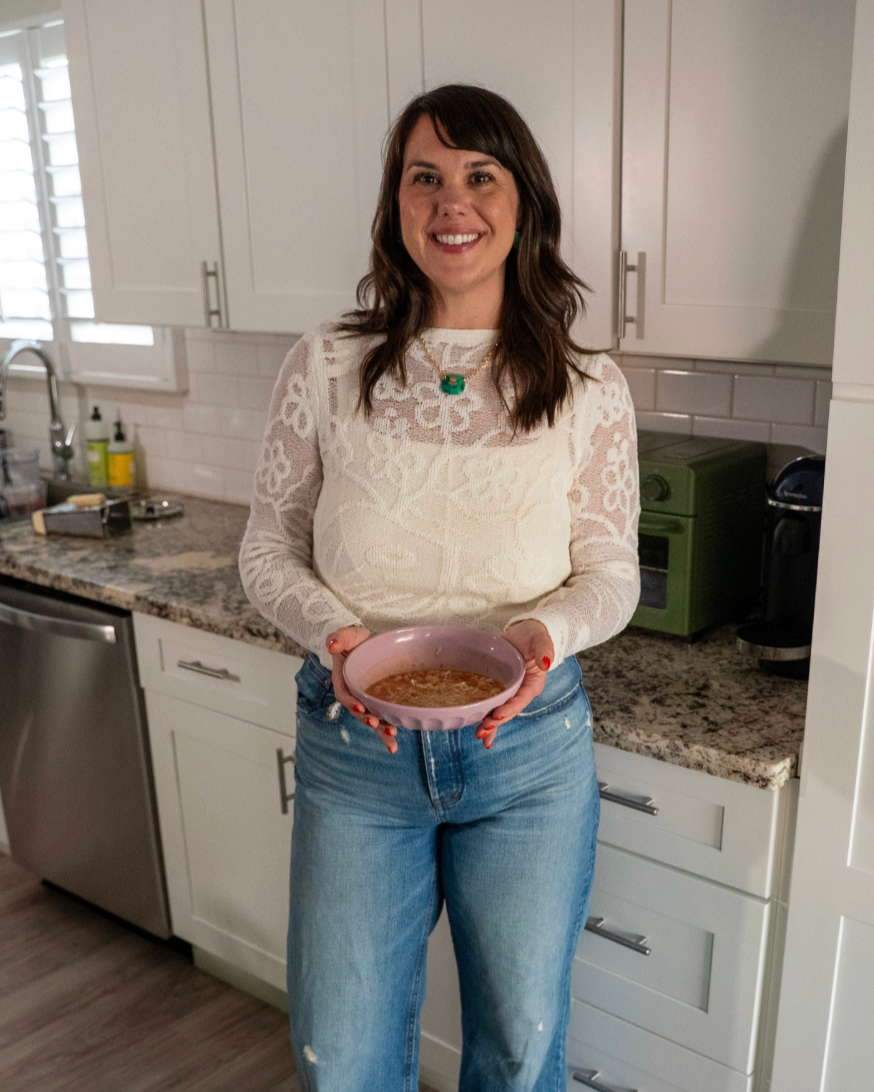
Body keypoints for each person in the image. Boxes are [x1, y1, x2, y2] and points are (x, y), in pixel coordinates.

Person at [239, 83, 640, 1092]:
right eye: (424, 177)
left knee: (517, 1045)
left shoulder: (588, 387)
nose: (450, 202)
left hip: (529, 753)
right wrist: (337, 635)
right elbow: (265, 549)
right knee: (341, 1054)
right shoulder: (328, 365)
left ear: (524, 205)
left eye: (479, 175)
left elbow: (611, 571)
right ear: (395, 204)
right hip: (355, 750)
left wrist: (539, 639)